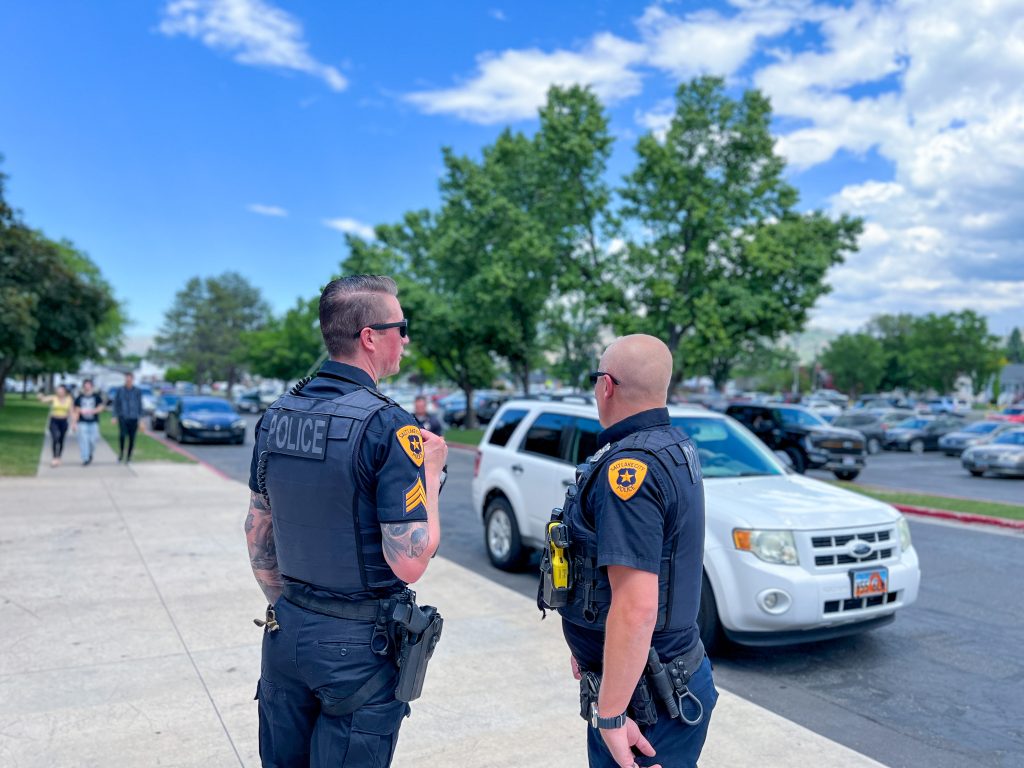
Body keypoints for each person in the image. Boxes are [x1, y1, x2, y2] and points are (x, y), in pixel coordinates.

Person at [245, 274, 447, 768]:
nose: (406, 338)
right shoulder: (389, 424)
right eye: (401, 327)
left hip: (286, 631)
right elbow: (410, 561)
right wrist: (431, 473)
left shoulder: (277, 416)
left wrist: (294, 610)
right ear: (370, 336)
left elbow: (257, 531)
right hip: (357, 652)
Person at [539, 334, 717, 768]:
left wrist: (613, 712)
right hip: (654, 681)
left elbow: (637, 608)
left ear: (607, 385)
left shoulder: (629, 469)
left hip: (646, 703)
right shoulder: (673, 447)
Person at [38, 384, 73, 467]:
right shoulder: (54, 398)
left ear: (65, 391)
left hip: (64, 421)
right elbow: (43, 400)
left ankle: (59, 457)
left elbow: (71, 411)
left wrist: (74, 423)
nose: (59, 392)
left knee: (61, 440)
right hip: (54, 421)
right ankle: (54, 457)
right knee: (55, 438)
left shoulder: (69, 399)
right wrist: (40, 395)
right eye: (58, 390)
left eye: (61, 390)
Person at [111, 372, 143, 463]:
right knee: (122, 435)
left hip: (134, 417)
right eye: (126, 379)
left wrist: (140, 419)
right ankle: (121, 454)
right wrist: (114, 416)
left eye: (130, 379)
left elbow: (140, 405)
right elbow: (116, 404)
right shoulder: (120, 390)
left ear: (133, 380)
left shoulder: (137, 391)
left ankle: (129, 457)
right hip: (123, 416)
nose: (128, 381)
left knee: (132, 438)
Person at [71, 379, 104, 466]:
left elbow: (101, 407)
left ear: (91, 386)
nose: (87, 387)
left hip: (93, 422)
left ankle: (90, 454)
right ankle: (85, 458)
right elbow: (76, 410)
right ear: (83, 387)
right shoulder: (79, 398)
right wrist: (74, 423)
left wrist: (93, 411)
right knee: (83, 440)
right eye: (85, 385)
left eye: (89, 385)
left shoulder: (96, 397)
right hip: (82, 422)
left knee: (93, 441)